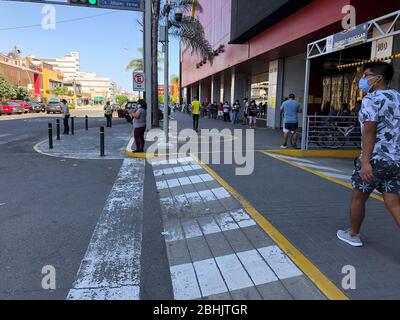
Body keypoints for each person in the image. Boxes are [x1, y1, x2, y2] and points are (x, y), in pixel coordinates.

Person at [337, 62, 400, 247]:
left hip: (375, 160)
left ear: (378, 78)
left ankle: (353, 234)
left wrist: (365, 161)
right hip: (395, 161)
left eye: (366, 75)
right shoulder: (398, 97)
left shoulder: (371, 99)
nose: (363, 80)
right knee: (394, 203)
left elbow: (369, 131)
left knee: (359, 197)